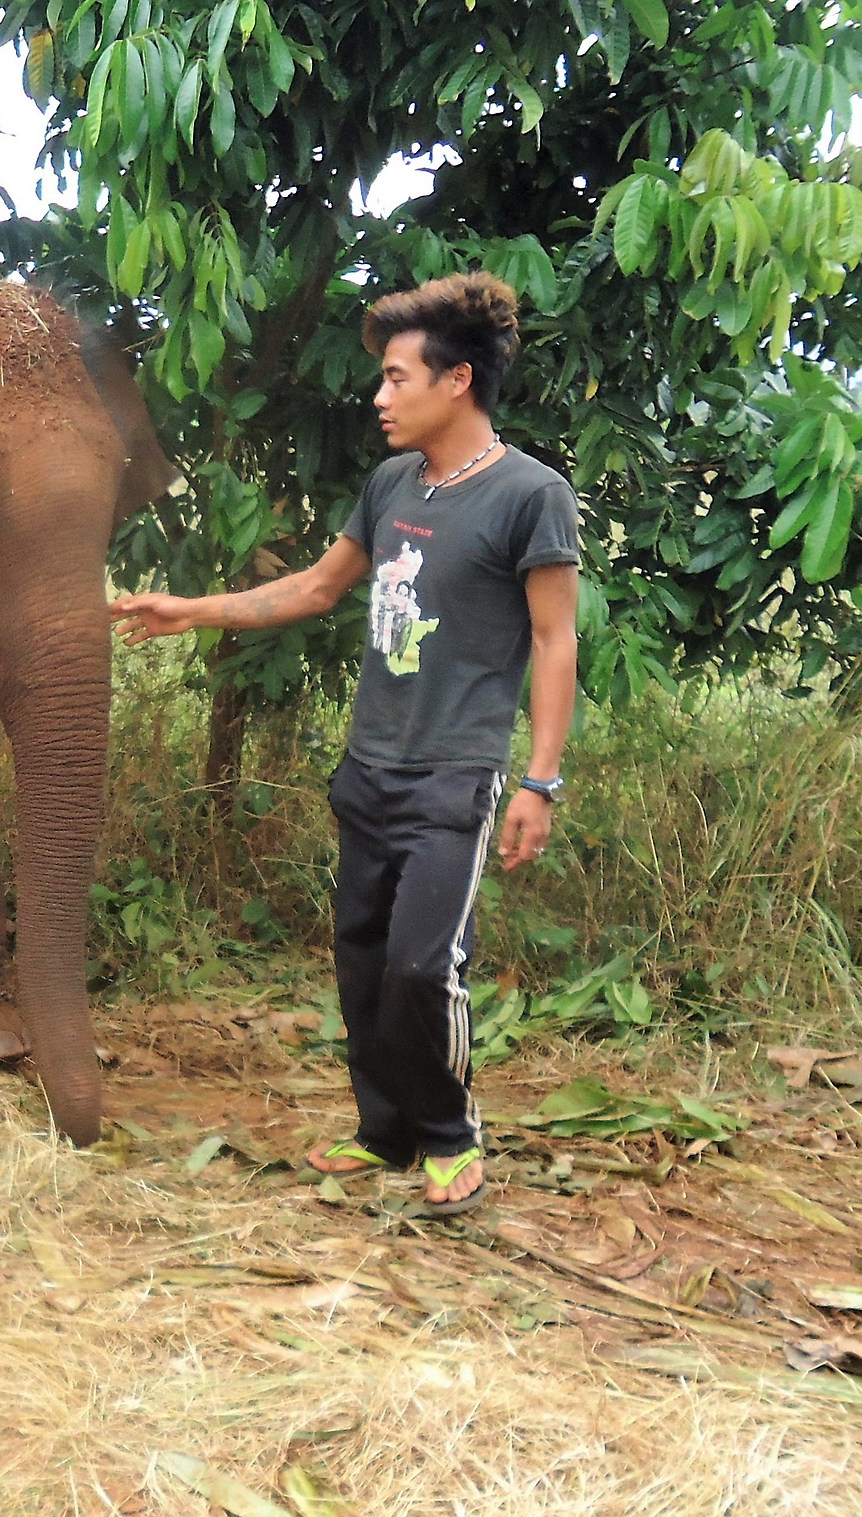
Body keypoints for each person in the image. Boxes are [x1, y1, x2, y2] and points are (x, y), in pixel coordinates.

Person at [111, 272, 578, 1217]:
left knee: (422, 964)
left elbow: (554, 640)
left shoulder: (532, 495)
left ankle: (450, 1135)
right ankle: (384, 1131)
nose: (379, 396)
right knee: (362, 958)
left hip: (456, 776)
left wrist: (540, 781)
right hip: (369, 766)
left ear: (456, 382)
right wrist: (191, 610)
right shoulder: (391, 484)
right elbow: (317, 589)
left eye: (398, 377)